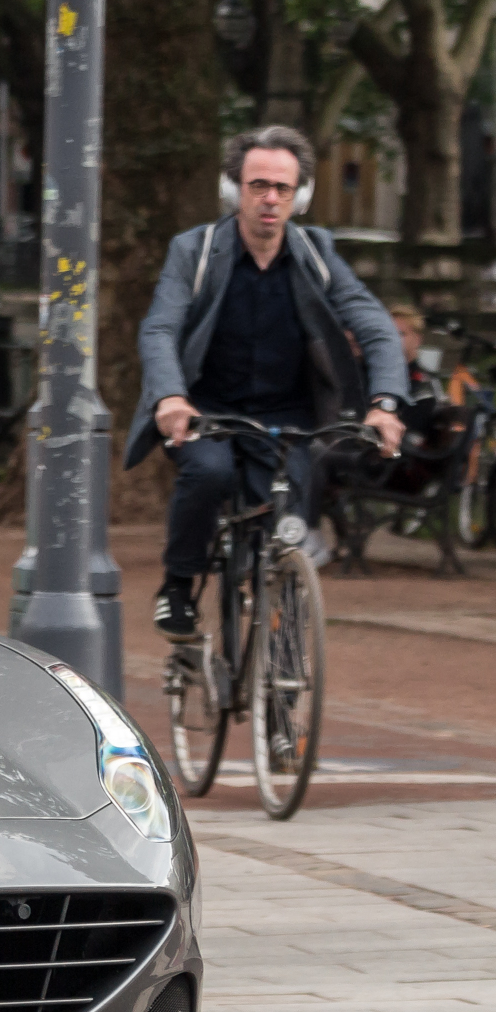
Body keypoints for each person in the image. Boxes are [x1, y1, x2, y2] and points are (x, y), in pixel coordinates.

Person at [128, 125, 406, 641]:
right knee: (209, 476)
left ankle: (276, 631)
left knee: (285, 522)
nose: (270, 199)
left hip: (287, 417)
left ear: (300, 196)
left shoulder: (317, 252)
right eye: (258, 185)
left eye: (282, 188)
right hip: (206, 411)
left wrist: (385, 403)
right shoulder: (195, 250)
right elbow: (161, 327)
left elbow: (375, 326)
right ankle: (178, 584)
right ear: (235, 191)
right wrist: (169, 396)